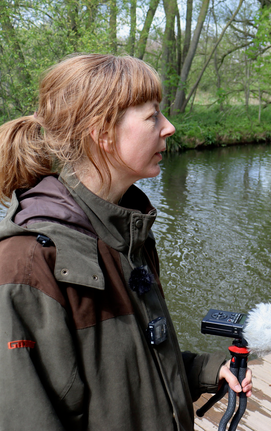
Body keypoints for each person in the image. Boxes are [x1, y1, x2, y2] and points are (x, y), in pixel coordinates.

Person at [0, 54, 252, 430]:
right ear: (102, 132)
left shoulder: (130, 235)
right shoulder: (26, 264)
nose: (169, 127)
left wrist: (204, 370)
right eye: (152, 116)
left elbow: (124, 369)